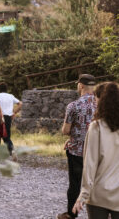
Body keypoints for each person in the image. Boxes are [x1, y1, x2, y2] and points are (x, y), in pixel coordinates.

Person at [72, 82, 119, 219]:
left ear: (102, 100)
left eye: (96, 98)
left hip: (98, 194)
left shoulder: (96, 127)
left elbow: (90, 164)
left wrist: (83, 195)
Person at [57, 74, 97, 219]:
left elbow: (65, 130)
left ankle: (71, 214)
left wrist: (73, 136)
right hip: (97, 151)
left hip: (77, 151)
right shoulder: (101, 105)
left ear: (80, 85)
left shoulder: (73, 106)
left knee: (75, 183)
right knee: (97, 182)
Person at [0, 82, 22, 159]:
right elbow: (20, 103)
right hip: (8, 117)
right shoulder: (11, 96)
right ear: (6, 89)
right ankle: (12, 151)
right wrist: (14, 113)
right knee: (7, 136)